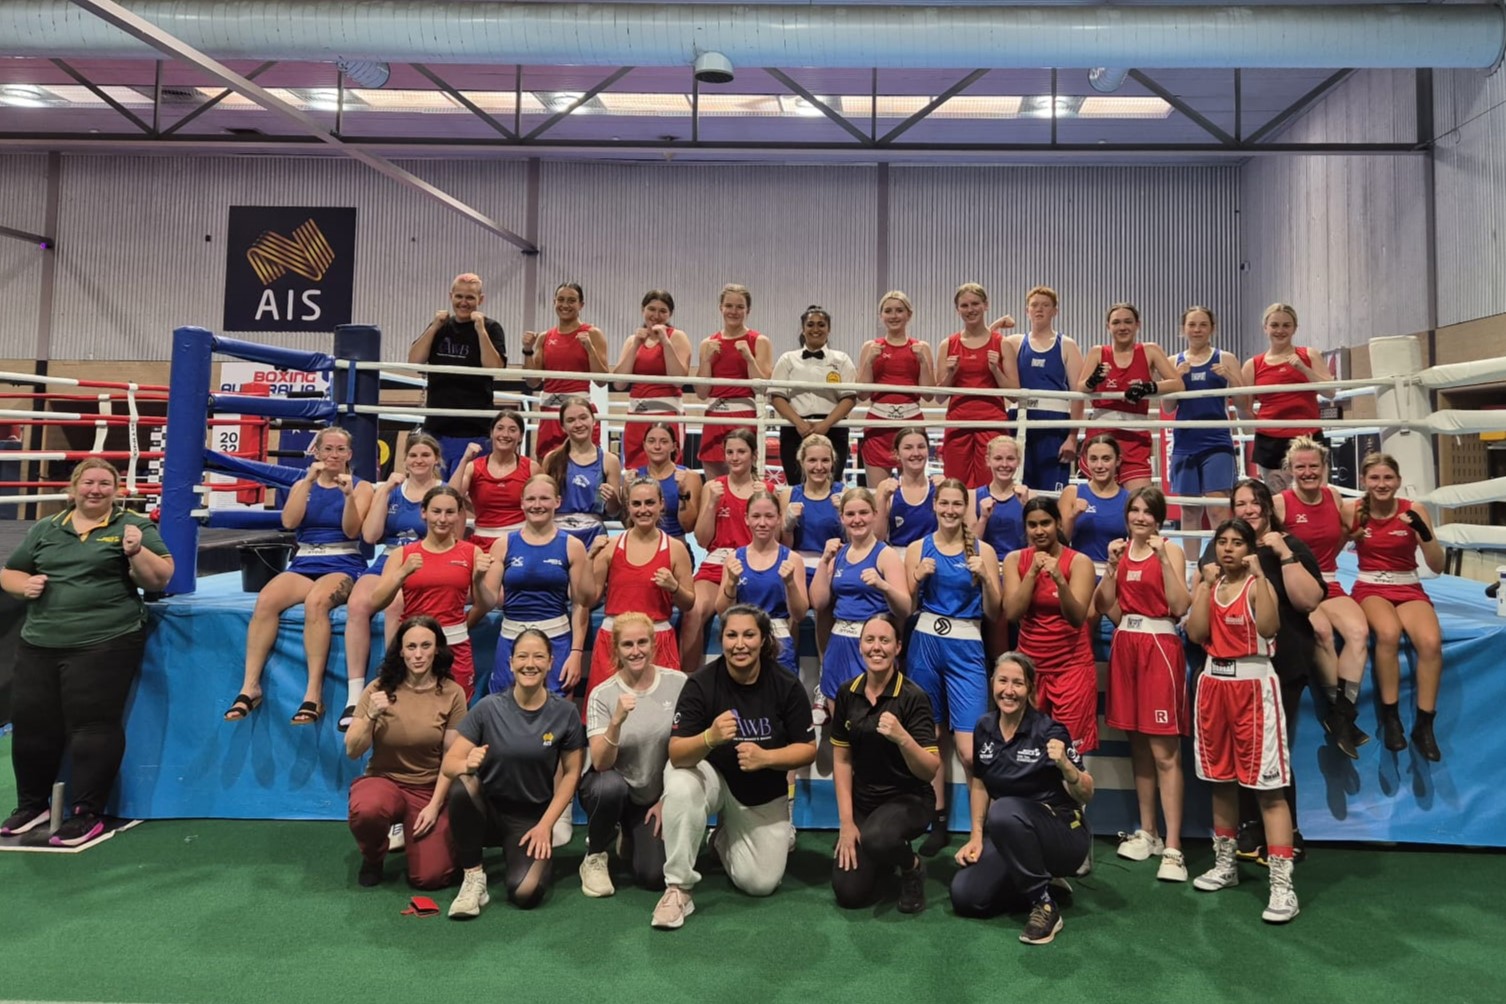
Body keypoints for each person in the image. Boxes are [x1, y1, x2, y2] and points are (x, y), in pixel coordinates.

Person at [0, 458, 174, 845]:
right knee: (31, 726)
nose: (95, 490)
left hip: (105, 640)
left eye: (104, 484)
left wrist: (135, 552)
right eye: (88, 482)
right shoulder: (48, 527)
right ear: (74, 487)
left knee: (92, 727)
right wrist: (22, 586)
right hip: (40, 640)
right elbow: (10, 572)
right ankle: (32, 805)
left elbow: (161, 577)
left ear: (116, 490)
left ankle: (87, 811)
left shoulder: (133, 527)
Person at [653, 606, 817, 930]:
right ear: (721, 639)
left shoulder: (785, 684)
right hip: (711, 781)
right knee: (681, 785)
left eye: (748, 635)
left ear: (763, 640)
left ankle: (720, 839)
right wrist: (710, 737)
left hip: (759, 793)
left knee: (761, 884)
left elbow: (808, 749)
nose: (739, 644)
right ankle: (678, 889)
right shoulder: (701, 684)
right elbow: (677, 754)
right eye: (731, 635)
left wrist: (766, 758)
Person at [1196, 479, 1324, 863]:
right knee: (1232, 763)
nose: (1248, 509)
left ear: (1268, 506)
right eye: (1241, 503)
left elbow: (1310, 600)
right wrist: (1204, 582)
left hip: (1277, 664)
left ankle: (1289, 838)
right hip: (1224, 670)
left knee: (1272, 757)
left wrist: (1281, 555)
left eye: (1255, 502)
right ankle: (1248, 833)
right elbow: (1201, 617)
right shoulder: (1221, 546)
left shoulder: (1290, 544)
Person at [1185, 519, 1298, 924]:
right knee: (1220, 781)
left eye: (1237, 543)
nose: (1228, 549)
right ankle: (1226, 865)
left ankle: (1283, 886)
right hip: (1214, 683)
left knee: (1268, 788)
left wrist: (1261, 576)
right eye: (1222, 542)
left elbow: (1269, 627)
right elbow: (1197, 633)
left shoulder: (1256, 584)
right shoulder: (1211, 586)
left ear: (1248, 548)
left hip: (1253, 685)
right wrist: (1201, 586)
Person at [225, 426, 373, 727]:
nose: (333, 455)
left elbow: (352, 531)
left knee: (317, 601)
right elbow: (289, 522)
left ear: (349, 454)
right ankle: (250, 686)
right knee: (266, 599)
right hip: (304, 560)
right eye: (327, 449)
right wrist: (306, 481)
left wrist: (347, 497)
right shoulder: (300, 485)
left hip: (343, 560)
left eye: (340, 449)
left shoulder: (361, 487)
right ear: (316, 452)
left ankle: (313, 693)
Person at [950, 652, 1094, 946]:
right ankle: (1041, 882)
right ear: (992, 683)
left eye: (1018, 683)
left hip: (1064, 834)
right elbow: (980, 782)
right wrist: (976, 836)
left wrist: (1067, 767)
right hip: (1012, 834)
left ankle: (1045, 905)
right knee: (965, 896)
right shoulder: (984, 727)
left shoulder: (1049, 731)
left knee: (1002, 810)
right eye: (1003, 681)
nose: (1009, 690)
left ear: (1030, 688)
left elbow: (1087, 791)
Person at [441, 628, 586, 918]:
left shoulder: (565, 713)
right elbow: (449, 764)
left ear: (550, 662)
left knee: (526, 893)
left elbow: (571, 774)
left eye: (538, 656)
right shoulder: (487, 707)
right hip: (487, 811)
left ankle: (524, 857)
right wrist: (466, 765)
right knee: (462, 785)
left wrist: (546, 825)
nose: (529, 663)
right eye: (522, 656)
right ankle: (474, 878)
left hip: (530, 818)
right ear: (510, 663)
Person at [1093, 487, 1191, 881]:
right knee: (1138, 744)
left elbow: (1181, 605)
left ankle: (1174, 847)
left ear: (1159, 517)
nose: (1139, 517)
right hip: (1126, 646)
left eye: (1147, 511)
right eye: (1134, 510)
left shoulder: (1171, 550)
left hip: (1160, 648)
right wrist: (1110, 567)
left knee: (1165, 750)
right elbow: (1106, 606)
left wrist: (1165, 559)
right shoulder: (1119, 552)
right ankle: (1147, 832)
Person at [904, 478, 1002, 857]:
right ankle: (938, 821)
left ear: (966, 508)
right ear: (934, 506)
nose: (949, 510)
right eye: (943, 503)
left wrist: (989, 578)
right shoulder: (918, 548)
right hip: (925, 643)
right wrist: (916, 578)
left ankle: (983, 829)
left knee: (969, 749)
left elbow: (995, 612)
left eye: (955, 504)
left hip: (967, 646)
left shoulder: (984, 550)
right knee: (931, 739)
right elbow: (906, 607)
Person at [344, 615, 467, 889]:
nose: (419, 654)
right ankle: (373, 857)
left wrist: (435, 806)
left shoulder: (453, 693)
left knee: (431, 878)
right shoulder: (377, 689)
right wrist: (370, 717)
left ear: (437, 649)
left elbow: (451, 757)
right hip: (383, 780)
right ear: (400, 650)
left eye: (426, 646)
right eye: (411, 647)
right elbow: (353, 750)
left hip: (427, 788)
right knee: (368, 810)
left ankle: (448, 844)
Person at [830, 613, 941, 913]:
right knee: (849, 894)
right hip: (865, 803)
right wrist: (846, 823)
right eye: (870, 640)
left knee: (878, 838)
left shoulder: (914, 697)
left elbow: (930, 769)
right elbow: (841, 761)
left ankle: (911, 866)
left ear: (898, 648)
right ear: (860, 646)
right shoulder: (846, 692)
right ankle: (880, 857)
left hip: (909, 799)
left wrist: (903, 738)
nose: (876, 647)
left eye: (884, 640)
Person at [1273, 436, 1372, 758]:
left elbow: (1347, 533)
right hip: (1297, 586)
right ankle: (1336, 713)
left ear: (1325, 468)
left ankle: (1341, 714)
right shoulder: (1281, 503)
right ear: (1290, 470)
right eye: (1300, 467)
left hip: (1329, 579)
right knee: (1322, 632)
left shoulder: (1334, 496)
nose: (1308, 472)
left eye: (1313, 466)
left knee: (1359, 633)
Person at [341, 433, 445, 731]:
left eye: (425, 455)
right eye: (413, 455)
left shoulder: (442, 491)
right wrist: (384, 490)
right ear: (405, 460)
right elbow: (371, 536)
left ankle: (392, 680)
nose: (419, 460)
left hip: (421, 558)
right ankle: (354, 693)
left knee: (395, 604)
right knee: (358, 603)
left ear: (436, 459)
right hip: (388, 558)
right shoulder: (391, 490)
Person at [579, 612, 688, 898]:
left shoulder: (679, 684)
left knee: (652, 876)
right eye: (627, 644)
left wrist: (668, 800)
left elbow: (687, 750)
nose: (636, 651)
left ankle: (629, 834)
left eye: (642, 642)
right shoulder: (602, 694)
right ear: (615, 650)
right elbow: (601, 763)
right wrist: (616, 721)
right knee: (608, 785)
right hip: (615, 789)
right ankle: (595, 854)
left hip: (654, 798)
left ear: (654, 645)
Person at [1347, 452, 1446, 760]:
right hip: (1370, 586)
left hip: (1409, 584)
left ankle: (1424, 724)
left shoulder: (1413, 510)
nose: (1382, 484)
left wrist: (1425, 534)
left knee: (1430, 642)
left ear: (1399, 481)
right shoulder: (1354, 510)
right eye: (1374, 478)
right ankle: (1391, 719)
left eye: (1388, 477)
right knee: (1388, 633)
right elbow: (1329, 542)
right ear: (1364, 480)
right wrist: (1350, 535)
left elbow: (1438, 565)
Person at [479, 474, 593, 698]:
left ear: (557, 502)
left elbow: (581, 603)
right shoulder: (502, 545)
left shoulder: (573, 546)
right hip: (511, 641)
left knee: (556, 716)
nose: (537, 505)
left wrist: (576, 653)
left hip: (556, 643)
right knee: (504, 713)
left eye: (544, 498)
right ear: (521, 502)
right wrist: (476, 579)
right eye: (531, 499)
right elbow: (488, 600)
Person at [368, 485, 487, 699]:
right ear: (423, 512)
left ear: (459, 515)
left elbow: (485, 603)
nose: (442, 519)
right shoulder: (402, 554)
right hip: (415, 651)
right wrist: (402, 573)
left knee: (456, 718)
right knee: (411, 716)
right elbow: (376, 601)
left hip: (455, 648)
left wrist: (478, 579)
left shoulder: (472, 553)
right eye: (436, 511)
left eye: (450, 512)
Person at [1001, 499, 1098, 754]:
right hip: (1030, 671)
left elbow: (1077, 618)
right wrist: (1032, 573)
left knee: (1067, 754)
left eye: (1045, 523)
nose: (1039, 530)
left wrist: (1059, 581)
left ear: (1057, 523)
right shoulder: (1015, 560)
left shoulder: (1079, 562)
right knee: (1028, 751)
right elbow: (1012, 612)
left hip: (1071, 669)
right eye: (1032, 525)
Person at [587, 477, 695, 696]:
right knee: (607, 716)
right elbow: (589, 598)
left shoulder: (675, 549)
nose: (643, 510)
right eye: (637, 504)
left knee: (662, 719)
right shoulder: (609, 547)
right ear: (627, 507)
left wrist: (674, 587)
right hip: (614, 641)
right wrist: (588, 560)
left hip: (658, 641)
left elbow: (688, 603)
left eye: (649, 503)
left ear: (661, 504)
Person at [810, 488, 912, 717]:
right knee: (841, 726)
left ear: (875, 514)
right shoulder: (839, 554)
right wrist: (824, 560)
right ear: (842, 518)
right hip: (839, 645)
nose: (857, 520)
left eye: (863, 513)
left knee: (871, 723)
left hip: (873, 646)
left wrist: (883, 585)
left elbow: (905, 608)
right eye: (850, 514)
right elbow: (818, 602)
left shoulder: (886, 555)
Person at [685, 428, 770, 672]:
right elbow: (701, 540)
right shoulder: (713, 487)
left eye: (741, 451)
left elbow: (776, 540)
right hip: (716, 562)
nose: (735, 457)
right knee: (693, 612)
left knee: (762, 618)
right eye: (730, 452)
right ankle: (687, 683)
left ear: (753, 455)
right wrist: (711, 503)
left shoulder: (765, 491)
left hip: (754, 562)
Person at [407, 273, 509, 475]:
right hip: (437, 427)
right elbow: (414, 361)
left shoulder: (491, 328)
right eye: (459, 296)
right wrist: (435, 325)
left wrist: (480, 330)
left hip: (476, 428)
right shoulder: (440, 326)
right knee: (433, 491)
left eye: (470, 297)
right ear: (450, 296)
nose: (464, 302)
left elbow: (494, 368)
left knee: (470, 492)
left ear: (480, 299)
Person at [1075, 303, 1183, 491]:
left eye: (1128, 322)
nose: (1122, 327)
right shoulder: (1098, 352)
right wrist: (1093, 380)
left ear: (1137, 324)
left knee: (1139, 498)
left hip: (1135, 434)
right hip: (1102, 435)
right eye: (1116, 322)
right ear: (1108, 326)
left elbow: (1177, 383)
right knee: (1102, 497)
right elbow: (1080, 387)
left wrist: (1148, 388)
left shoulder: (1150, 350)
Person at [1240, 303, 1333, 493]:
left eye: (1286, 325)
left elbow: (1330, 392)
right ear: (1265, 327)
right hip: (1270, 440)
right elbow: (1244, 408)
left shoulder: (1309, 355)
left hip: (1308, 438)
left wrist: (1303, 369)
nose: (1280, 330)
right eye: (1274, 325)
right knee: (1278, 501)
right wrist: (1263, 424)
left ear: (1294, 328)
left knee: (1315, 496)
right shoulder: (1253, 364)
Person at [1169, 306, 1241, 541]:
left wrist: (1231, 377)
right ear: (1183, 329)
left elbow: (1244, 401)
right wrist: (1176, 378)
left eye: (1203, 325)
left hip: (1217, 441)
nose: (1197, 330)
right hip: (1185, 443)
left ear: (1212, 328)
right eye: (1192, 325)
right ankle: (1190, 567)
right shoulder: (1173, 362)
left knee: (1218, 509)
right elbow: (1167, 408)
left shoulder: (1225, 358)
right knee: (1189, 511)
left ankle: (1222, 567)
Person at [718, 488, 809, 674]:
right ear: (746, 518)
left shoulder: (792, 560)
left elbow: (799, 615)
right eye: (756, 516)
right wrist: (731, 584)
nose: (762, 523)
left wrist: (790, 584)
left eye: (769, 516)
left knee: (779, 700)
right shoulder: (734, 558)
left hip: (779, 641)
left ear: (778, 518)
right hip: (742, 643)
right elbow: (721, 611)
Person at [1004, 286, 1084, 492]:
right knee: (1018, 485)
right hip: (1019, 417)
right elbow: (986, 345)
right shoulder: (1014, 343)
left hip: (1054, 423)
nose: (1039, 309)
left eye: (1045, 305)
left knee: (1052, 491)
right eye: (1034, 305)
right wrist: (998, 324)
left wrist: (1073, 437)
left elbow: (1078, 394)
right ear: (1027, 311)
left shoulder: (1066, 345)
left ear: (1054, 311)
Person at [940, 283, 1019, 488]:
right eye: (964, 305)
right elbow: (938, 396)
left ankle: (990, 521)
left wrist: (996, 371)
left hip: (992, 424)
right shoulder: (947, 344)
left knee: (993, 485)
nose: (970, 309)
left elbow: (1015, 395)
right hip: (958, 424)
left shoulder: (1002, 344)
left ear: (986, 305)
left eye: (975, 303)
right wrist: (951, 373)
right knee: (956, 486)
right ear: (957, 309)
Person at [855, 290, 935, 488]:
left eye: (899, 310)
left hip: (911, 424)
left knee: (912, 489)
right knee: (877, 492)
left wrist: (923, 362)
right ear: (881, 316)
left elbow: (929, 394)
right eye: (888, 311)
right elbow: (862, 393)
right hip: (878, 424)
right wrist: (869, 361)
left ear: (909, 314)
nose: (894, 316)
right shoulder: (871, 347)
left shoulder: (921, 347)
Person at [770, 304, 857, 484]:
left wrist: (826, 424)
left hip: (833, 427)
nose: (815, 329)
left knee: (831, 482)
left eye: (821, 324)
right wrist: (799, 423)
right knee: (796, 483)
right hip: (794, 428)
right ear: (803, 329)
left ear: (829, 329)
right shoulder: (787, 359)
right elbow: (777, 396)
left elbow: (849, 397)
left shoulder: (842, 359)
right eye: (810, 324)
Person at [522, 282, 608, 459]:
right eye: (561, 299)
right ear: (554, 302)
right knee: (548, 465)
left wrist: (590, 349)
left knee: (585, 463)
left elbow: (601, 380)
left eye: (571, 300)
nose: (565, 305)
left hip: (579, 411)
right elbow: (533, 382)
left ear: (581, 305)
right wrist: (527, 350)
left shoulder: (592, 333)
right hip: (550, 411)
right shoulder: (545, 337)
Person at [695, 283, 772, 479]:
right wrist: (706, 360)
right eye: (729, 306)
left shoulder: (759, 340)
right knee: (714, 481)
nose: (734, 311)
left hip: (744, 415)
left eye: (740, 307)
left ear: (748, 310)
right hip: (714, 415)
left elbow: (762, 388)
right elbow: (702, 393)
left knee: (745, 478)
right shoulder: (708, 343)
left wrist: (748, 357)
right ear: (720, 307)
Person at [780, 433, 846, 658]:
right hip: (797, 562)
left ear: (832, 463)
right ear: (801, 462)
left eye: (825, 461)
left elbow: (851, 541)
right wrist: (788, 525)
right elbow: (785, 545)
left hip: (831, 562)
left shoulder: (843, 494)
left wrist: (842, 515)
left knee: (824, 608)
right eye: (813, 461)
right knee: (790, 612)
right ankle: (786, 673)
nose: (819, 467)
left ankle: (824, 678)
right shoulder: (790, 494)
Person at [613, 289, 691, 470]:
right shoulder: (633, 340)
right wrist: (635, 346)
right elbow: (619, 383)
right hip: (636, 415)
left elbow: (678, 380)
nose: (656, 315)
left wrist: (665, 342)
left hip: (667, 415)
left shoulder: (677, 337)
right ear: (643, 310)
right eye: (652, 309)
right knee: (635, 470)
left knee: (668, 469)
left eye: (662, 311)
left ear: (670, 314)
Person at [540, 396, 621, 550]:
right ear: (563, 426)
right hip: (558, 534)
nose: (578, 424)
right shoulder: (551, 459)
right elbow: (543, 502)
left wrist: (612, 498)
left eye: (583, 418)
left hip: (594, 535)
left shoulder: (609, 460)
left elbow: (613, 511)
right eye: (571, 420)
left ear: (593, 420)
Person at [450, 410, 532, 543]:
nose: (505, 434)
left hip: (520, 541)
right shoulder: (474, 467)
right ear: (491, 433)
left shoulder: (531, 468)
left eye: (512, 430)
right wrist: (464, 460)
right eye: (500, 428)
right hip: (482, 541)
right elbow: (450, 497)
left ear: (521, 436)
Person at [1059, 434, 1129, 578]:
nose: (1099, 466)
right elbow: (1060, 543)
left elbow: (1137, 545)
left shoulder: (1129, 499)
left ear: (1118, 461)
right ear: (1085, 461)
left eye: (1106, 459)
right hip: (1078, 573)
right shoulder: (1072, 493)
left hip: (1114, 574)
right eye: (1093, 459)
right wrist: (1072, 517)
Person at [636, 421, 701, 544]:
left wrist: (682, 493)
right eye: (651, 441)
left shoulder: (689, 477)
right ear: (644, 445)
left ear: (673, 446)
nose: (657, 446)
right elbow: (627, 523)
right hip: (642, 549)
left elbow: (689, 527)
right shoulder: (635, 477)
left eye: (664, 442)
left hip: (676, 548)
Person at [875, 427, 941, 547]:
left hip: (932, 557)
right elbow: (878, 537)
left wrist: (946, 494)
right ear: (897, 454)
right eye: (908, 448)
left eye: (921, 447)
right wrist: (884, 499)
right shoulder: (886, 488)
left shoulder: (939, 487)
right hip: (898, 558)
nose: (916, 453)